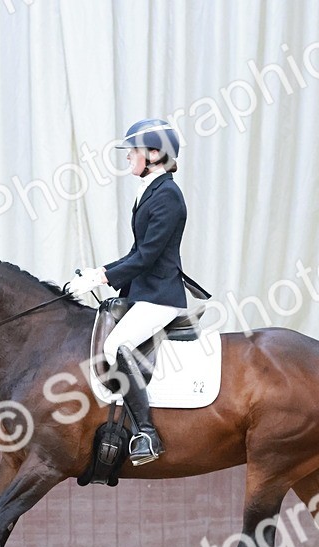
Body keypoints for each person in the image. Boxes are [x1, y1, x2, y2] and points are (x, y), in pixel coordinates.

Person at [67, 118, 191, 466]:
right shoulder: (151, 189)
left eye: (132, 152)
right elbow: (137, 252)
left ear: (154, 154)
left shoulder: (167, 195)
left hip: (161, 295)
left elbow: (148, 256)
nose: (128, 158)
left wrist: (102, 277)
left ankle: (147, 432)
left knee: (114, 346)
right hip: (145, 290)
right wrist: (98, 273)